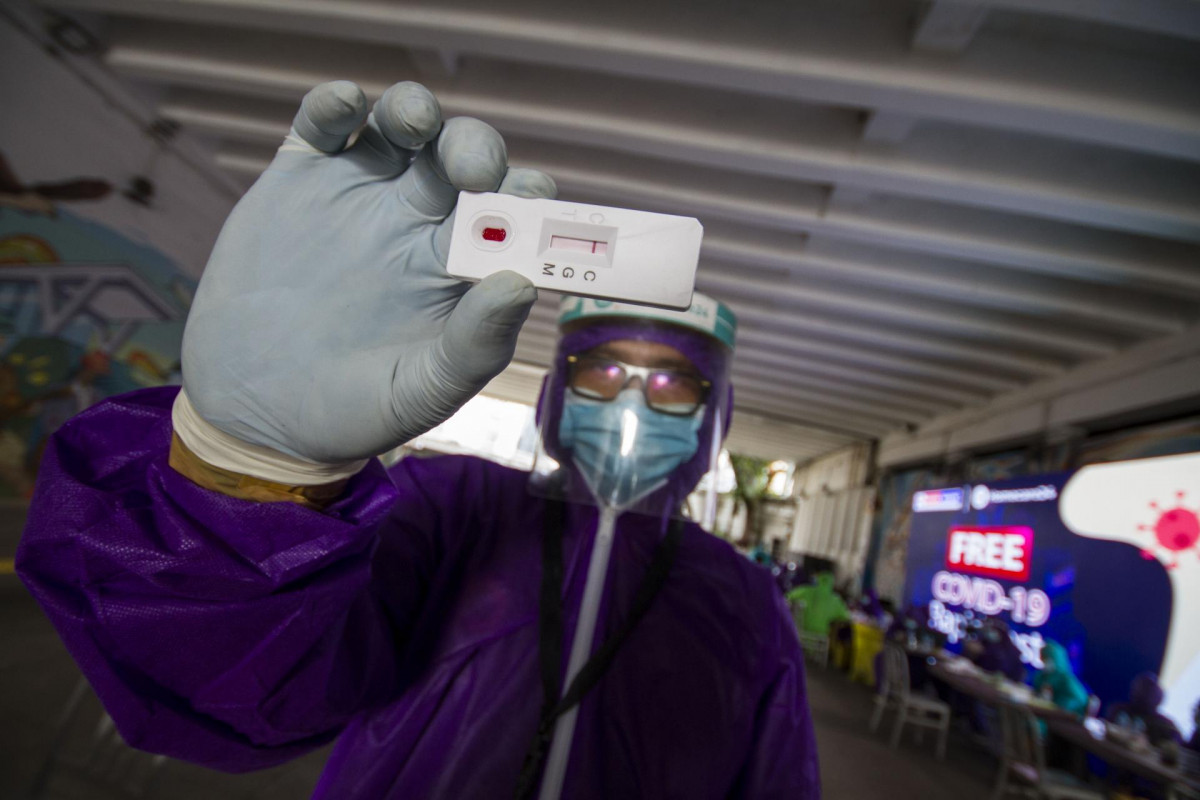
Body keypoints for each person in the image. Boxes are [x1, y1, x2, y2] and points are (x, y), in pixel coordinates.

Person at [14, 80, 818, 799]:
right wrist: (247, 471)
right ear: (556, 388)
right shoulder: (451, 511)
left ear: (716, 415)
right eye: (602, 372)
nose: (633, 399)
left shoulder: (746, 607)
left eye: (676, 382)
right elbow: (238, 691)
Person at [1105, 673, 1181, 747]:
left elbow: (1176, 739)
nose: (1145, 694)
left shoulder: (1162, 724)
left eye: (1150, 691)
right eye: (1142, 688)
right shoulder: (1118, 710)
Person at [1034, 640, 1090, 717]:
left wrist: (1055, 702)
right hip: (1043, 712)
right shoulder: (1042, 676)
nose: (1045, 663)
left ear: (1056, 660)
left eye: (1048, 660)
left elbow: (1079, 701)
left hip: (1063, 719)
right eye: (1044, 660)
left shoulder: (1067, 680)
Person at [968, 619, 1026, 684]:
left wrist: (984, 653)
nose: (989, 632)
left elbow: (1004, 669)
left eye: (992, 630)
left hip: (1003, 684)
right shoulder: (984, 641)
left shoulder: (1009, 650)